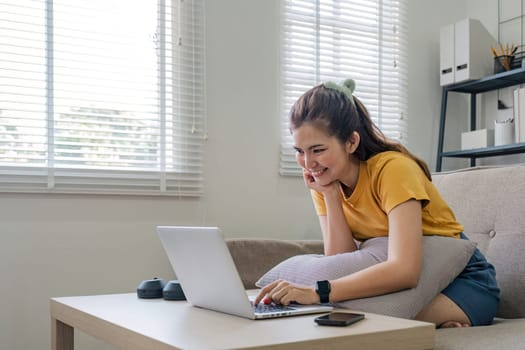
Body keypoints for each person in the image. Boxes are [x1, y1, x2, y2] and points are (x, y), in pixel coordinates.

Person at [254, 79, 500, 328]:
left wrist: (318, 292)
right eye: (299, 151)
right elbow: (340, 261)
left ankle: (443, 320)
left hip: (462, 281)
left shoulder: (393, 170)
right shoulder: (325, 180)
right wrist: (331, 196)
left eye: (317, 150)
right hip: (410, 284)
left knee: (348, 318)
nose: (308, 163)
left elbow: (405, 270)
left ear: (351, 142)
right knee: (330, 316)